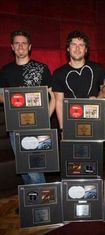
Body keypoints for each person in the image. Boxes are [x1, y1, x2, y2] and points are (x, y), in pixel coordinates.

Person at [0, 29, 55, 184]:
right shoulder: (6, 70)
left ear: (29, 46)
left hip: (36, 125)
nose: (20, 46)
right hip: (15, 127)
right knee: (23, 167)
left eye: (24, 43)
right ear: (12, 47)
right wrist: (17, 100)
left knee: (34, 167)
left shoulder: (41, 68)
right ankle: (30, 202)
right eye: (17, 43)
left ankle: (42, 204)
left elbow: (53, 96)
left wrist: (46, 118)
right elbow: (0, 95)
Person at [52, 30, 105, 129]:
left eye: (81, 45)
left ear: (86, 49)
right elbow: (59, 102)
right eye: (73, 44)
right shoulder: (58, 73)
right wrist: (63, 129)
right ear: (68, 48)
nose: (77, 48)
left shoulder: (98, 69)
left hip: (95, 121)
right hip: (71, 122)